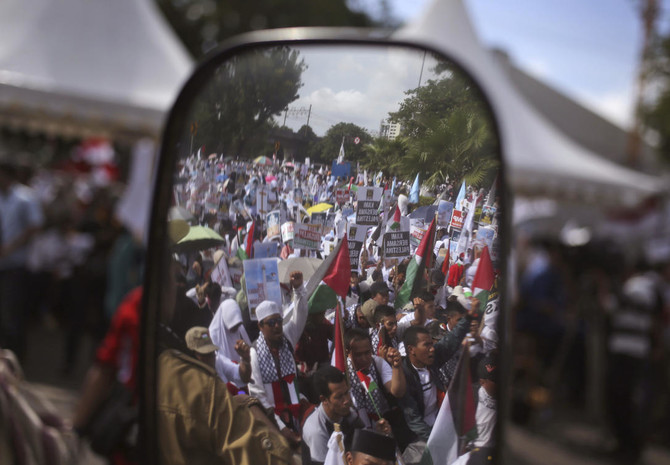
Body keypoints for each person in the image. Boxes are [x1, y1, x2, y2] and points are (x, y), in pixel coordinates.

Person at [398, 304, 474, 443]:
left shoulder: (432, 359)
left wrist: (468, 317)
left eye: (432, 344)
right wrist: (436, 441)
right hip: (420, 437)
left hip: (441, 421)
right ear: (411, 349)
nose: (432, 349)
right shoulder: (404, 376)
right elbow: (414, 421)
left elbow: (452, 339)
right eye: (426, 345)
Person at [248, 271, 308, 447]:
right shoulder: (254, 353)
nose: (277, 326)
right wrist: (282, 428)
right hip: (272, 417)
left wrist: (298, 290)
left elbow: (301, 316)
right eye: (271, 323)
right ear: (260, 326)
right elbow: (258, 397)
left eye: (279, 321)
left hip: (296, 406)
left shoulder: (287, 336)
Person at [0, 159, 44, 360]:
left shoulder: (25, 197)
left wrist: (11, 247)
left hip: (15, 265)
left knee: (12, 314)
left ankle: (15, 358)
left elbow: (35, 226)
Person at [302, 366, 366, 465]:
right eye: (339, 397)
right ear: (324, 399)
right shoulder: (316, 430)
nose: (346, 401)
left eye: (346, 393)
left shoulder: (348, 413)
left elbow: (364, 442)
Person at [208, 298, 253, 391]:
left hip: (240, 374)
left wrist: (245, 358)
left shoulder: (240, 329)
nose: (236, 329)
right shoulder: (213, 335)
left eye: (237, 325)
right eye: (233, 327)